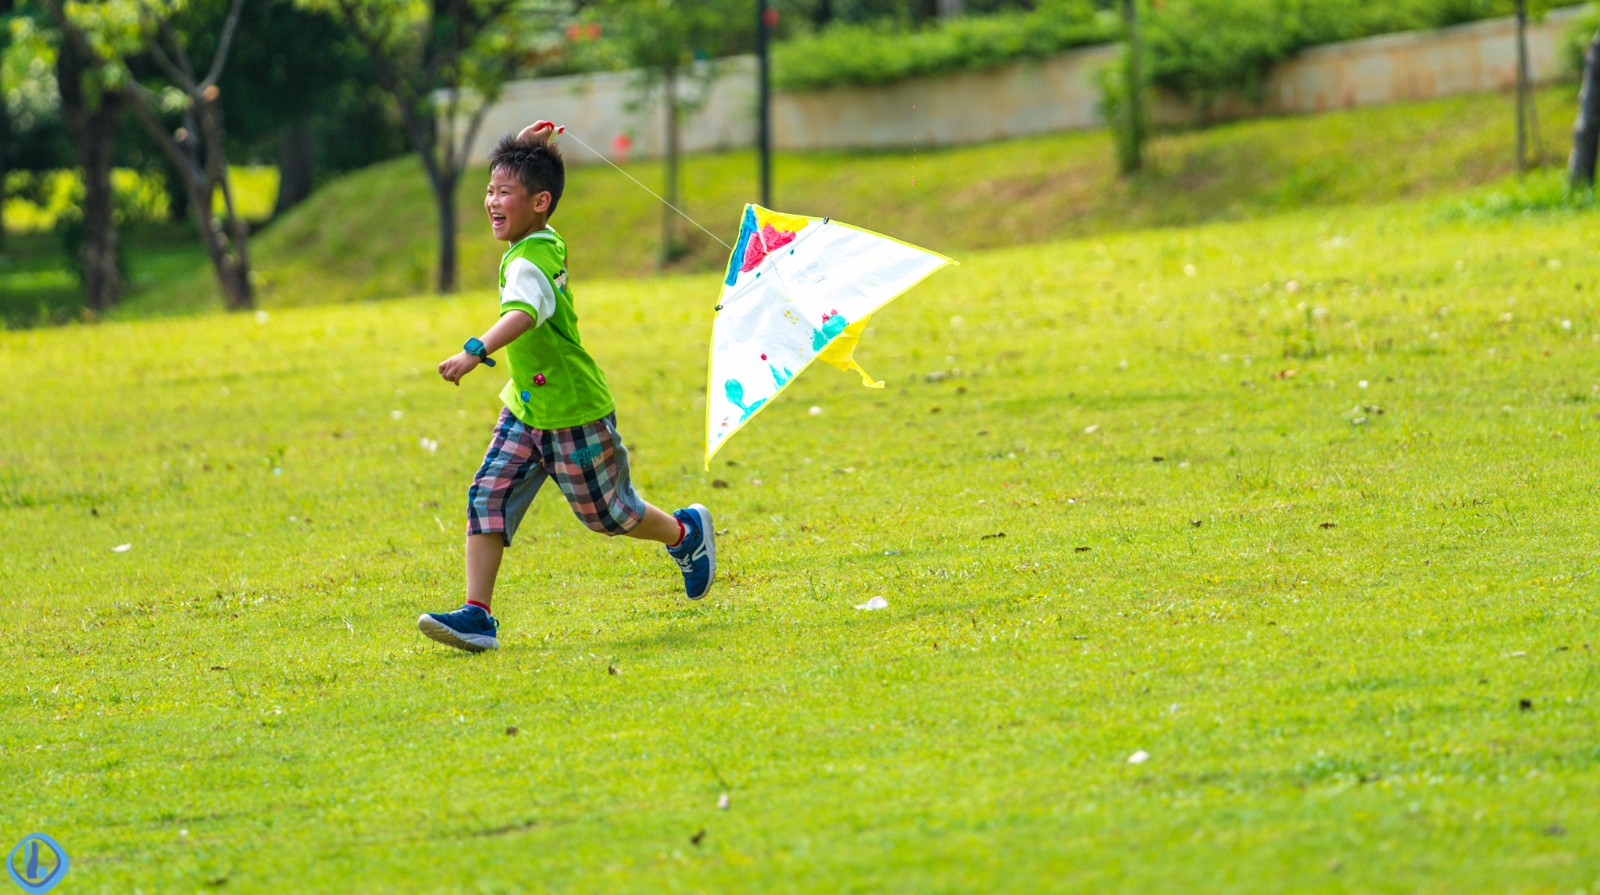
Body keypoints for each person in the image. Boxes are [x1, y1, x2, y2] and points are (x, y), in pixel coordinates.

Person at [418, 120, 714, 653]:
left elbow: (523, 314)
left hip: (574, 411)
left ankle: (685, 534)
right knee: (487, 496)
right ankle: (477, 616)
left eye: (504, 192)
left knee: (609, 516)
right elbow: (535, 200)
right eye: (489, 189)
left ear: (540, 202)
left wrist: (475, 350)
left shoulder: (531, 260)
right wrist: (532, 148)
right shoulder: (542, 237)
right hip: (527, 410)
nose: (491, 201)